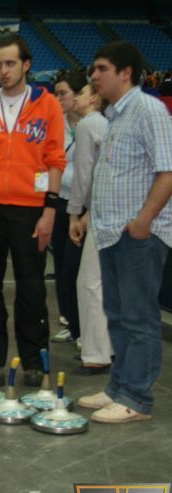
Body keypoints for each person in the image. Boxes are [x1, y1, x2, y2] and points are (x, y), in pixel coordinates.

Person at [0, 34, 66, 387]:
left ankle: (34, 360)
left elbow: (55, 159)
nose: (3, 71)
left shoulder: (46, 105)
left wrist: (50, 210)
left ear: (26, 65)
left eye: (10, 63)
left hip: (30, 209)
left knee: (32, 287)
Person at [77, 42, 172, 424]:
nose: (94, 76)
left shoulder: (149, 110)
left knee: (139, 318)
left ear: (126, 73)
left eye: (102, 69)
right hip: (111, 233)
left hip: (138, 237)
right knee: (116, 315)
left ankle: (136, 397)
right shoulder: (115, 116)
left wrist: (143, 222)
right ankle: (118, 387)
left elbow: (168, 172)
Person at [66, 82, 112, 375]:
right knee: (106, 283)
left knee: (90, 283)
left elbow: (84, 175)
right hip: (106, 208)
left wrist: (75, 213)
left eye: (82, 93)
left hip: (102, 211)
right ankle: (108, 346)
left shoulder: (88, 125)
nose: (77, 98)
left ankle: (96, 353)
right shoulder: (106, 124)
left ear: (95, 98)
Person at [49, 72, 87, 346]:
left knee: (76, 269)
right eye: (56, 93)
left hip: (83, 207)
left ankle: (85, 327)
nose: (58, 98)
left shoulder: (93, 124)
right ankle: (69, 323)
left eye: (63, 93)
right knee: (61, 266)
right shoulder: (56, 123)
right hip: (59, 201)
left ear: (79, 94)